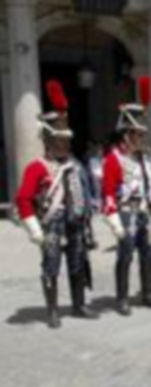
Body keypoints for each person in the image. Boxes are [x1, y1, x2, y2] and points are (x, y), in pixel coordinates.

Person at [16, 79, 98, 328]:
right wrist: (35, 229)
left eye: (67, 140)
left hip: (76, 222)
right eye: (61, 140)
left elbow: (85, 192)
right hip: (52, 223)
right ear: (49, 141)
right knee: (51, 267)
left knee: (78, 264)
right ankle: (52, 310)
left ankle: (78, 305)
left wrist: (87, 221)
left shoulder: (75, 165)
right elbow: (23, 199)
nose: (66, 144)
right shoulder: (36, 167)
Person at [102, 76, 151, 315]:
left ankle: (148, 292)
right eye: (137, 134)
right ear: (126, 135)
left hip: (147, 211)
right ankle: (122, 298)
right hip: (126, 211)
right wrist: (114, 220)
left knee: (149, 253)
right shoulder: (113, 159)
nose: (142, 138)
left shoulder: (148, 158)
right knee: (126, 254)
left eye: (142, 134)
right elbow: (107, 193)